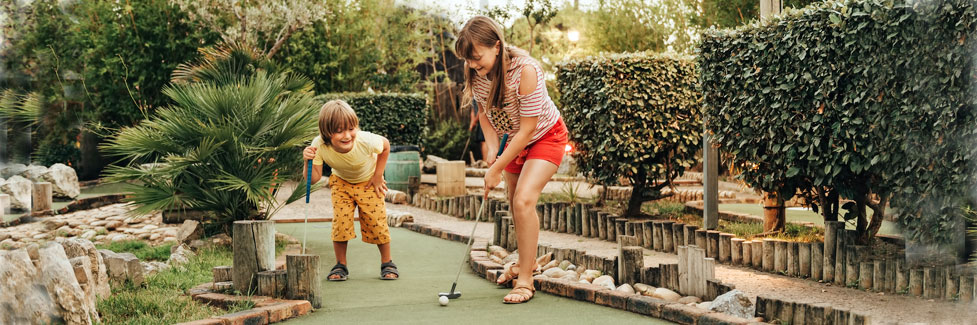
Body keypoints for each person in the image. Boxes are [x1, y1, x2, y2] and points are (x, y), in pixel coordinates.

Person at [455, 16, 569, 304]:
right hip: (512, 141)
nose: (471, 65)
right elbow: (484, 115)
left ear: (496, 46)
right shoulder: (477, 72)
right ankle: (526, 263)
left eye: (476, 57)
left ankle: (526, 281)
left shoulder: (525, 71)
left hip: (545, 136)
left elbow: (529, 128)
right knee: (513, 200)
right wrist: (493, 151)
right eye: (468, 59)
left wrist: (496, 167)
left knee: (523, 200)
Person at [302, 99, 399, 281]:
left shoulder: (365, 140)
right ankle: (341, 265)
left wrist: (378, 175)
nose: (347, 135)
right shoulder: (319, 145)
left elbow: (385, 146)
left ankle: (387, 262)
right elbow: (313, 179)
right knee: (341, 223)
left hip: (369, 182)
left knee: (376, 222)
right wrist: (307, 160)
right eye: (339, 131)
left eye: (351, 128)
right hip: (341, 183)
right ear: (326, 133)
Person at [469, 99, 489, 164]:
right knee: (481, 140)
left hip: (485, 119)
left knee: (484, 140)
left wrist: (475, 121)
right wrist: (472, 122)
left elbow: (481, 110)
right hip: (479, 121)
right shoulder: (473, 96)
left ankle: (486, 161)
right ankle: (484, 160)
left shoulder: (480, 94)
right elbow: (473, 110)